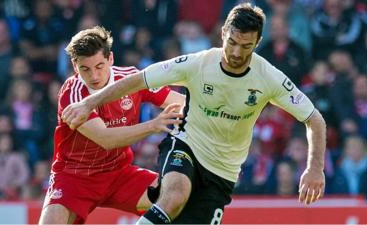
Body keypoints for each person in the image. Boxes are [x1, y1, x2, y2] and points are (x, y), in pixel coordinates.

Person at [62, 3, 326, 224]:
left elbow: (314, 119)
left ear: (257, 42)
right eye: (231, 42)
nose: (235, 52)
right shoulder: (197, 63)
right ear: (223, 32)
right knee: (174, 196)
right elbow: (137, 80)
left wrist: (315, 168)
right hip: (187, 144)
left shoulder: (268, 77)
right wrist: (89, 103)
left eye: (245, 46)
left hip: (223, 170)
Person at [39, 26, 185, 224]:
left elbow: (181, 103)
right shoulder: (71, 94)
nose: (94, 76)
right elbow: (106, 139)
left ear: (111, 59)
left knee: (177, 197)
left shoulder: (132, 78)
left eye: (99, 66)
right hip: (75, 178)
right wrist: (153, 125)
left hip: (119, 175)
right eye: (85, 69)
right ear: (75, 66)